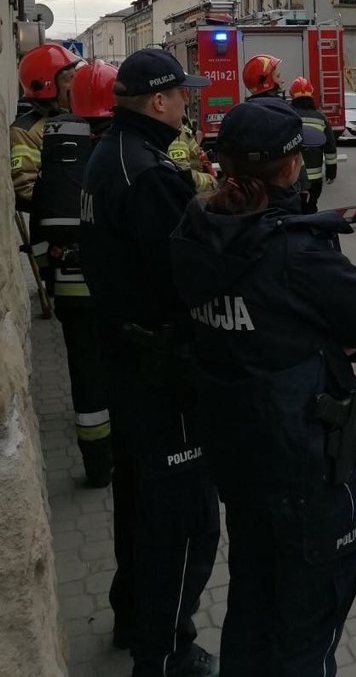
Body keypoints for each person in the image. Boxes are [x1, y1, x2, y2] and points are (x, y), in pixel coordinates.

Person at [169, 97, 356, 676]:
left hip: (239, 463)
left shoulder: (195, 229)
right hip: (303, 470)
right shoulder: (293, 249)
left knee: (252, 608)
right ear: (291, 168)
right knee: (305, 637)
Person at [79, 48, 220, 677]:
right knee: (187, 524)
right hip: (163, 372)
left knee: (137, 502)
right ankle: (164, 651)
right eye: (181, 95)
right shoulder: (152, 173)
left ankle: (131, 613)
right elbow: (184, 279)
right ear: (158, 102)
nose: (187, 102)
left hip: (125, 356)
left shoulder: (107, 154)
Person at [29, 60, 117, 488]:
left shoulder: (55, 140)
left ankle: (98, 467)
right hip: (114, 287)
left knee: (85, 376)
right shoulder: (121, 143)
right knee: (118, 366)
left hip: (69, 283)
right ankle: (123, 451)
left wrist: (48, 275)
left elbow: (41, 216)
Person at [10, 42, 84, 212]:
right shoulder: (25, 132)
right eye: (70, 79)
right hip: (54, 230)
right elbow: (24, 190)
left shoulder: (83, 119)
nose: (76, 84)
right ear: (47, 86)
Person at [288, 76, 337, 212]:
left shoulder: (287, 116)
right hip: (315, 180)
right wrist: (331, 172)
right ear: (311, 95)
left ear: (292, 95)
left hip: (292, 178)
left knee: (294, 211)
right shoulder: (321, 118)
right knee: (311, 209)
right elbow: (330, 149)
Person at [168, 116, 217, 193]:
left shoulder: (183, 128)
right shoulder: (176, 134)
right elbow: (182, 176)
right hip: (191, 196)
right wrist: (211, 181)